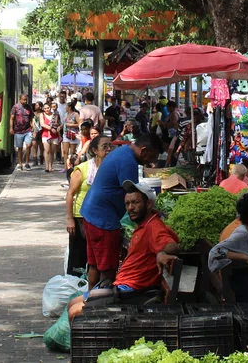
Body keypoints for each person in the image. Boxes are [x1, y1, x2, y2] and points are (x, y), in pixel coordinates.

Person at [67, 179, 180, 320]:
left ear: (149, 203)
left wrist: (161, 253)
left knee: (74, 312)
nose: (130, 208)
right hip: (121, 285)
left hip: (132, 292)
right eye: (127, 204)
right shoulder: (145, 224)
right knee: (72, 304)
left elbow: (172, 245)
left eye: (135, 202)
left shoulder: (153, 227)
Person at [79, 133, 164, 288]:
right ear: (144, 150)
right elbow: (134, 198)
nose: (152, 162)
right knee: (107, 268)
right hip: (103, 219)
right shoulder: (128, 162)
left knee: (95, 265)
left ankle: (89, 301)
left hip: (92, 213)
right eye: (152, 157)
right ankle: (101, 304)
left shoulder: (122, 151)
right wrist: (153, 213)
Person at [66, 137, 114, 277]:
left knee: (95, 257)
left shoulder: (111, 168)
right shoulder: (83, 169)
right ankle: (74, 284)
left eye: (110, 146)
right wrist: (70, 219)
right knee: (78, 256)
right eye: (104, 147)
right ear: (94, 150)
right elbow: (70, 194)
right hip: (81, 218)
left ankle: (91, 288)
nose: (109, 150)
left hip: (101, 219)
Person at [10, 93, 33, 171]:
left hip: (28, 130)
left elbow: (31, 118)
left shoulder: (29, 107)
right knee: (19, 148)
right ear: (20, 99)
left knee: (29, 145)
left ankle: (27, 163)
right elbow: (12, 118)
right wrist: (11, 128)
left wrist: (33, 127)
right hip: (18, 130)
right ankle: (20, 164)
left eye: (26, 99)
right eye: (24, 99)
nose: (25, 101)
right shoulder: (15, 107)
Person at [41, 102, 60, 173]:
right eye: (45, 108)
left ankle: (50, 166)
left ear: (50, 108)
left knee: (52, 151)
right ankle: (46, 166)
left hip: (54, 135)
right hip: (45, 135)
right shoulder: (42, 115)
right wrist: (50, 128)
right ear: (43, 109)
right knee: (47, 150)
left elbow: (59, 123)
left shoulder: (55, 115)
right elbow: (42, 124)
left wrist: (58, 128)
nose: (47, 109)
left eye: (48, 108)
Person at [63, 100, 81, 169]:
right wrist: (60, 127)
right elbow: (64, 123)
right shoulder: (65, 114)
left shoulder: (76, 114)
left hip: (73, 134)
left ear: (70, 107)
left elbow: (80, 124)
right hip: (66, 133)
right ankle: (65, 167)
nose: (65, 108)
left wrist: (71, 125)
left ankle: (71, 166)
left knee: (72, 151)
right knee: (65, 151)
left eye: (66, 107)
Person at [30, 101, 45, 170]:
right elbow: (31, 122)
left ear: (40, 106)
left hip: (42, 131)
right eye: (35, 105)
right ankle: (35, 159)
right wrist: (33, 128)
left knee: (41, 145)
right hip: (35, 131)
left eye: (37, 105)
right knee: (34, 144)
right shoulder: (33, 114)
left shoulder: (43, 114)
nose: (36, 106)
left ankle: (41, 157)